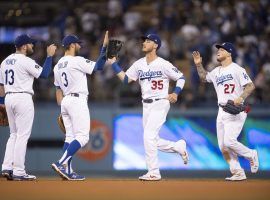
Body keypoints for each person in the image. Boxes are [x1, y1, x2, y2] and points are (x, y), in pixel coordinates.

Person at [107, 33, 189, 181]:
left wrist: (176, 93)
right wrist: (114, 63)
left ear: (156, 45)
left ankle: (154, 172)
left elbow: (181, 77)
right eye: (144, 40)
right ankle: (178, 147)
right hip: (146, 105)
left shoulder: (163, 63)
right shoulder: (139, 64)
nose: (144, 42)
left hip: (161, 102)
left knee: (148, 136)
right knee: (152, 139)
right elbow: (126, 80)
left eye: (148, 41)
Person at [192, 42, 259, 181]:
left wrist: (241, 98)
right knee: (223, 147)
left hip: (235, 110)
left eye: (221, 50)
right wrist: (198, 64)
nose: (218, 52)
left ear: (229, 53)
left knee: (229, 142)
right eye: (218, 50)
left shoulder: (237, 69)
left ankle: (251, 154)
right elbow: (204, 78)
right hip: (222, 110)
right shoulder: (217, 71)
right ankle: (237, 172)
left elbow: (250, 86)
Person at [51, 32, 108, 181]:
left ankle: (68, 171)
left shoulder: (57, 66)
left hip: (65, 101)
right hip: (77, 100)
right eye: (77, 43)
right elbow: (99, 67)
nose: (79, 46)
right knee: (83, 137)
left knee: (70, 137)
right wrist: (104, 48)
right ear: (71, 45)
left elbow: (58, 90)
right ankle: (61, 163)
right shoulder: (76, 61)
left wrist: (63, 108)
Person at [0, 34, 57, 181]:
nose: (33, 46)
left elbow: (1, 86)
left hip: (8, 98)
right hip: (22, 98)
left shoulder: (4, 62)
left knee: (13, 134)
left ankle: (6, 167)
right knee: (22, 135)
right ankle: (19, 171)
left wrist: (1, 102)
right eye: (31, 44)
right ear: (24, 46)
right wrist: (49, 56)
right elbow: (44, 74)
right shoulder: (25, 61)